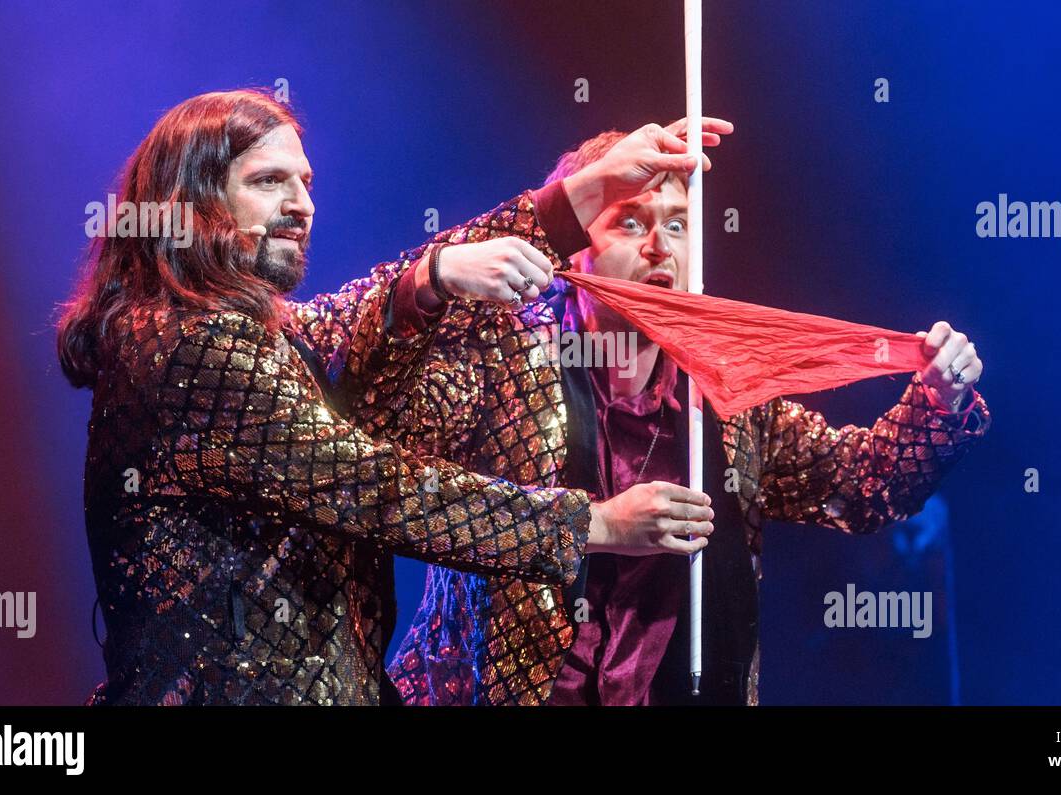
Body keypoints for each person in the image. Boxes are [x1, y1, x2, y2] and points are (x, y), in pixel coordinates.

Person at [56, 90, 720, 705]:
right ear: (193, 206)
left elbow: (355, 313)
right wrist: (595, 525)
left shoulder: (265, 335)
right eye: (268, 182)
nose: (302, 204)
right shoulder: (188, 347)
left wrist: (443, 271)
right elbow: (376, 487)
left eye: (306, 183)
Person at [354, 125, 992, 706]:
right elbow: (384, 449)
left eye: (680, 226)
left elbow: (860, 488)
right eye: (630, 223)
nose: (661, 249)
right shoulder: (501, 357)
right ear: (574, 251)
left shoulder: (726, 394)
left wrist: (939, 398)